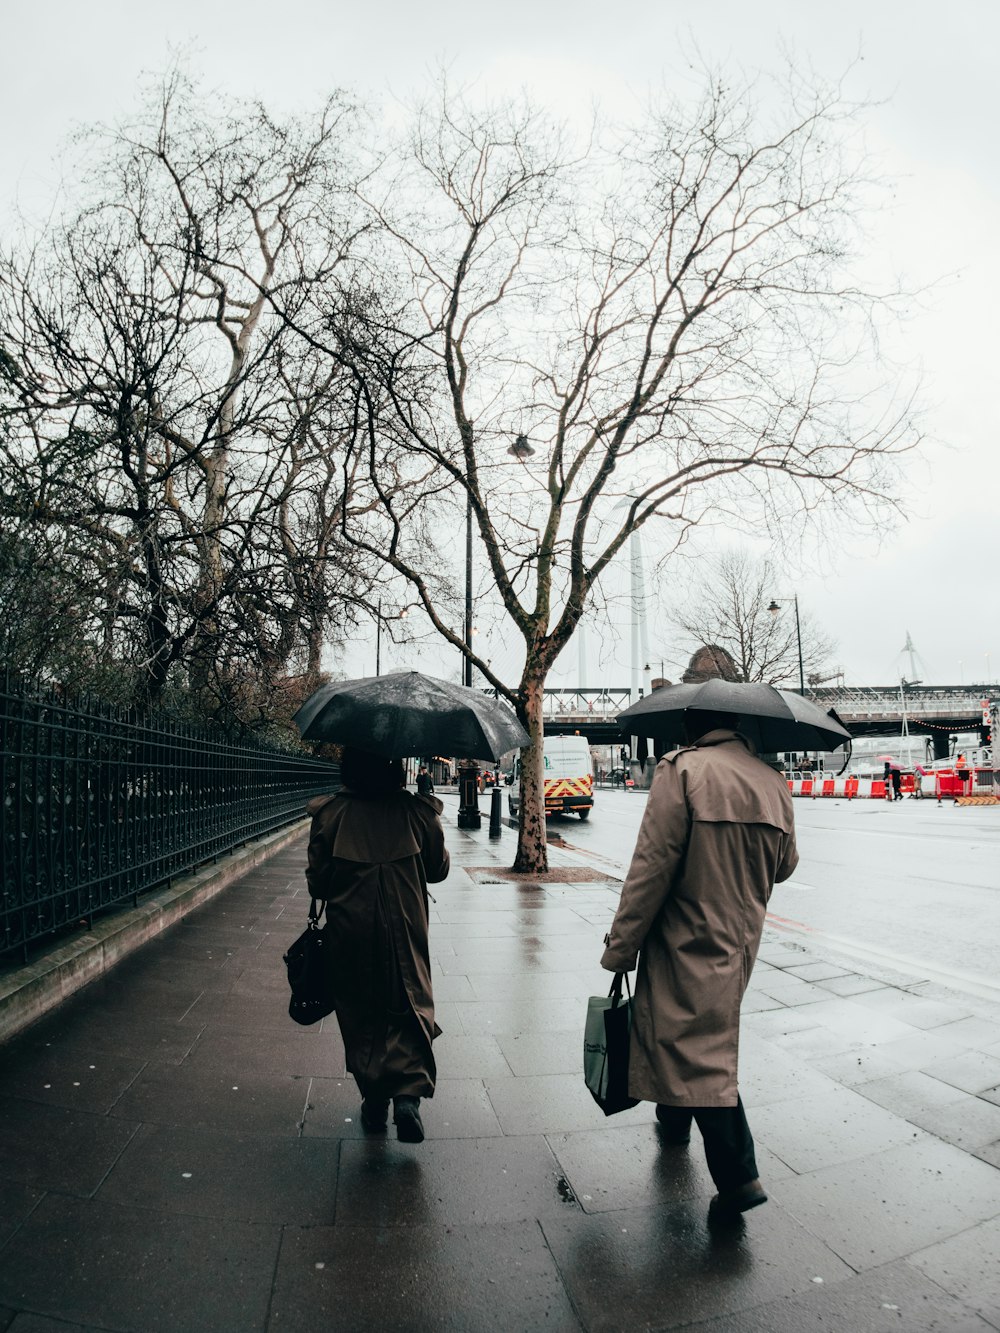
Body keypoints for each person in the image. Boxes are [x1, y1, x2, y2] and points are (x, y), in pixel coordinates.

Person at [601, 709, 798, 1217]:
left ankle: (739, 1177)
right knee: (690, 1032)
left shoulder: (682, 770)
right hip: (740, 939)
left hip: (683, 936)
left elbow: (651, 868)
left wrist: (621, 945)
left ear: (695, 724)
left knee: (696, 1048)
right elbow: (786, 865)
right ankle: (673, 1121)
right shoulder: (773, 781)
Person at [305, 747, 449, 1143]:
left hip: (350, 928)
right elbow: (438, 870)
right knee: (408, 998)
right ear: (393, 769)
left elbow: (317, 882)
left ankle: (374, 1097)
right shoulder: (417, 812)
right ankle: (407, 1094)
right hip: (405, 924)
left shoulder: (331, 814)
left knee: (360, 1010)